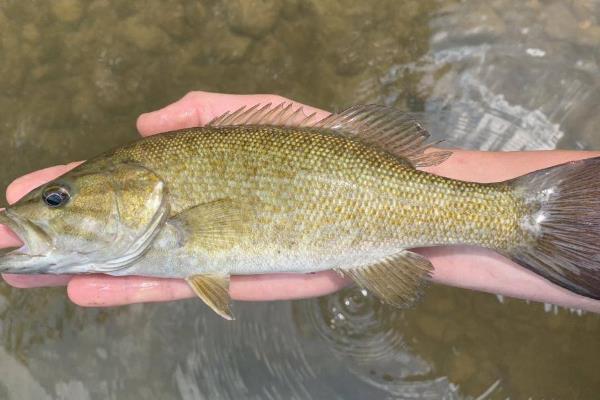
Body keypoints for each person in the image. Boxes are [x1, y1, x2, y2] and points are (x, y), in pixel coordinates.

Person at [2, 91, 600, 312]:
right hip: (371, 201)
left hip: (373, 190)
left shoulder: (168, 208)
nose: (50, 206)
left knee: (516, 215)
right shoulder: (160, 215)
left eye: (58, 199)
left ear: (139, 189)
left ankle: (519, 216)